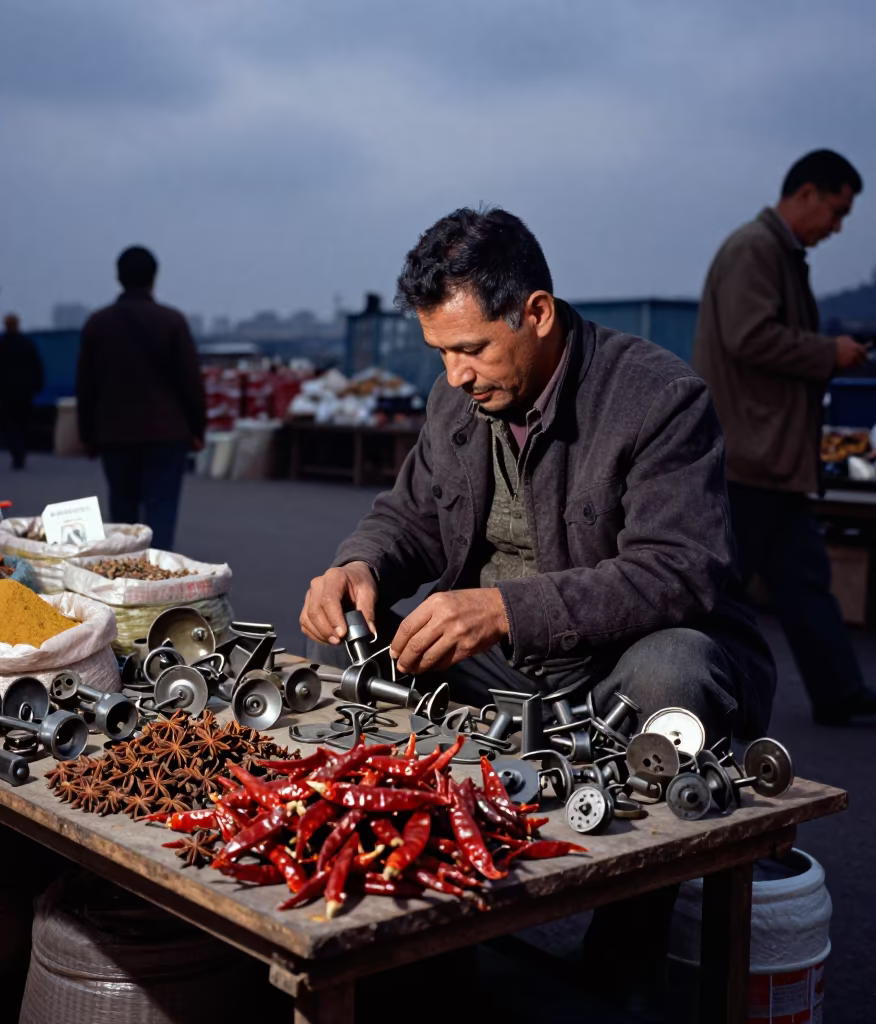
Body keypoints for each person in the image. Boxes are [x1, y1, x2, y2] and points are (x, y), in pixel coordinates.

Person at [301, 208, 777, 1014]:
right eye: (441, 352)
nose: (455, 374)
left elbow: (680, 571)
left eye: (471, 349)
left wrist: (503, 609)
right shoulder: (457, 402)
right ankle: (427, 920)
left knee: (675, 671)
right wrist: (358, 563)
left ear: (538, 313)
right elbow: (409, 515)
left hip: (618, 664)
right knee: (349, 646)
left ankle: (625, 950)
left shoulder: (659, 399)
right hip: (509, 667)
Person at [693, 150, 876, 726]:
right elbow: (747, 336)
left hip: (768, 456)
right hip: (750, 455)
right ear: (807, 193)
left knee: (803, 582)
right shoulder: (756, 250)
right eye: (836, 210)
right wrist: (827, 353)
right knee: (718, 590)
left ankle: (838, 690)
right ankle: (686, 695)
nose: (837, 226)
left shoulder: (772, 251)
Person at [77, 246, 206, 551]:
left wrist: (88, 435)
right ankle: (158, 580)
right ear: (153, 278)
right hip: (167, 432)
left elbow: (85, 386)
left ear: (118, 277)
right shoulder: (172, 321)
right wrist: (198, 430)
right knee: (161, 510)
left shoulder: (98, 323)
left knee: (123, 514)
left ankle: (126, 575)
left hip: (114, 433)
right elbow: (191, 381)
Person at [0, 314, 44, 470]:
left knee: (9, 424)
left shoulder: (0, 345)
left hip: (6, 393)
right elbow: (36, 366)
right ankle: (21, 452)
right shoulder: (27, 344)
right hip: (25, 392)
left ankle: (17, 454)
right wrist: (37, 386)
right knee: (23, 423)